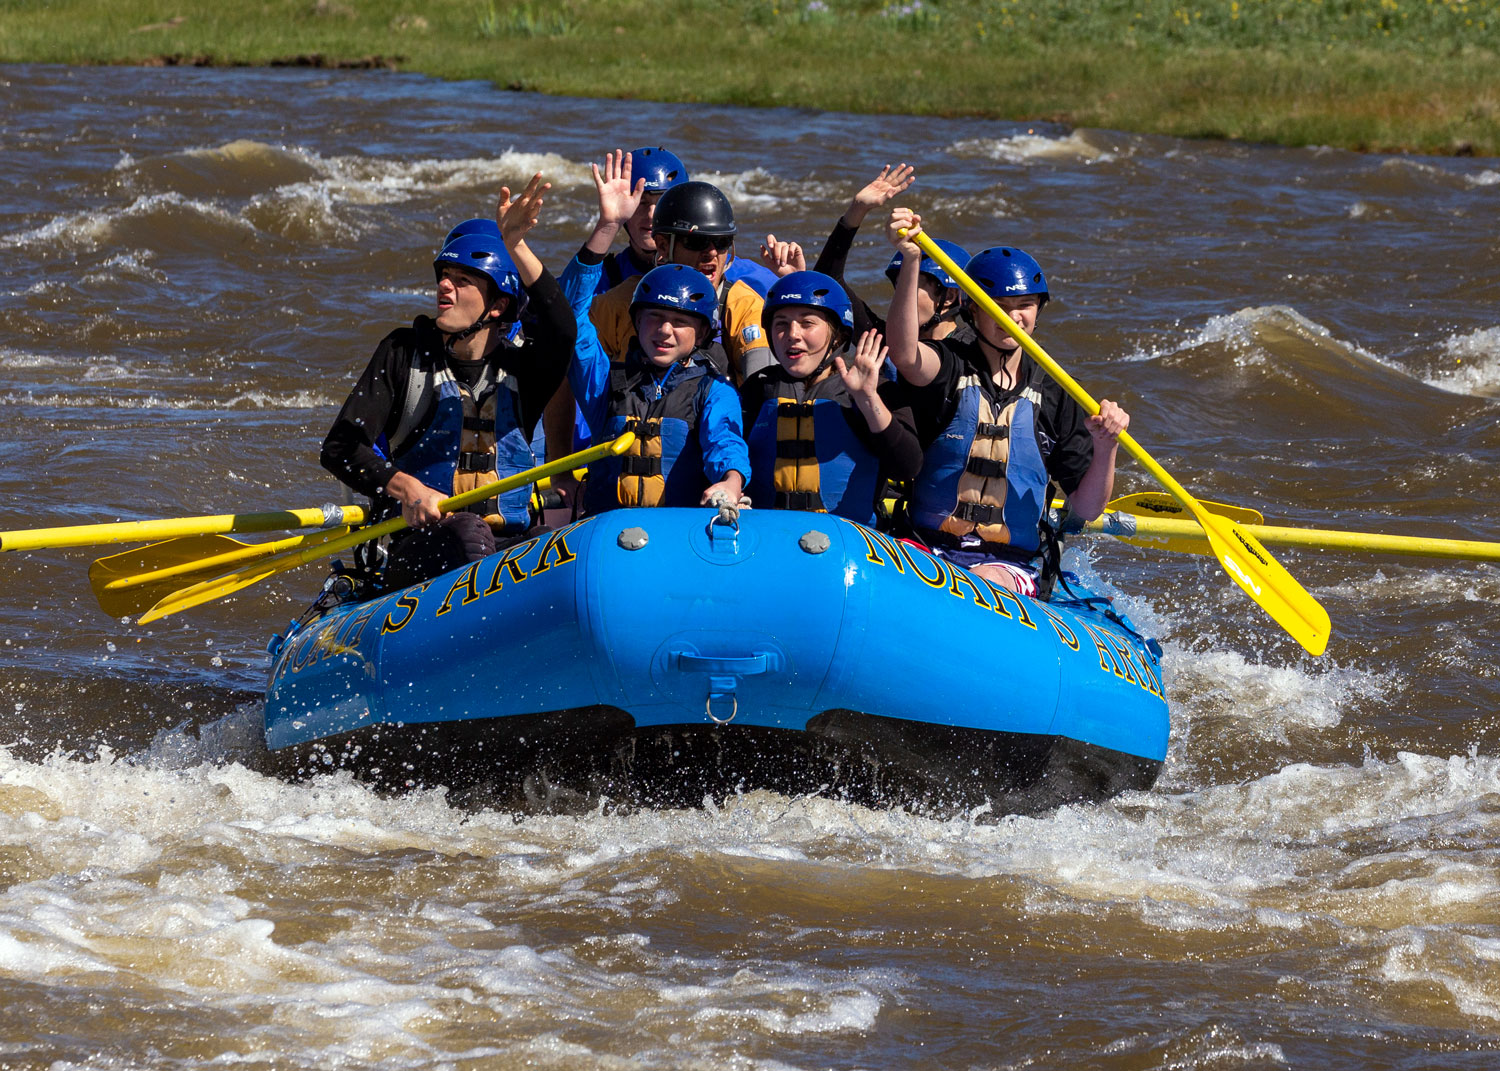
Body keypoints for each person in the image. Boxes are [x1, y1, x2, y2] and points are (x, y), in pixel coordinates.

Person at [320, 175, 574, 590]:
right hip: (423, 546)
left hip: (506, 543)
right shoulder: (403, 353)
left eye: (463, 280)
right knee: (467, 535)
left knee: (553, 545)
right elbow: (339, 449)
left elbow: (562, 330)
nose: (444, 285)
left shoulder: (525, 372)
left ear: (498, 306)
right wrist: (404, 488)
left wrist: (517, 245)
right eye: (444, 275)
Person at [883, 207, 1129, 597]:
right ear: (973, 310)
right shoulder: (950, 363)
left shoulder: (1058, 392)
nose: (1013, 318)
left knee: (983, 582)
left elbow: (1085, 508)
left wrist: (1107, 446)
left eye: (1024, 307)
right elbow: (904, 353)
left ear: (1037, 310)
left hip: (1006, 564)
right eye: (998, 307)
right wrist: (911, 260)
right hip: (924, 545)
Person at [740, 271, 921, 524]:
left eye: (807, 323)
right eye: (781, 323)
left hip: (848, 538)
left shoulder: (875, 388)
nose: (792, 334)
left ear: (838, 335)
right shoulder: (758, 388)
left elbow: (907, 467)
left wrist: (868, 399)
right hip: (771, 532)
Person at [568, 262, 749, 514]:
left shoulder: (714, 390)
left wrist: (732, 481)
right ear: (638, 321)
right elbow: (573, 317)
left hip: (677, 534)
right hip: (608, 531)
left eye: (679, 321)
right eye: (655, 317)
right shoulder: (604, 384)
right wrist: (601, 236)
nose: (664, 330)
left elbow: (725, 442)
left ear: (701, 332)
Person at [586, 178, 773, 386]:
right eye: (696, 242)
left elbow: (763, 386)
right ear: (663, 246)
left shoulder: (744, 306)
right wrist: (606, 227)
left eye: (722, 242)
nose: (711, 253)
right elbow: (564, 333)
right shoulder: (622, 302)